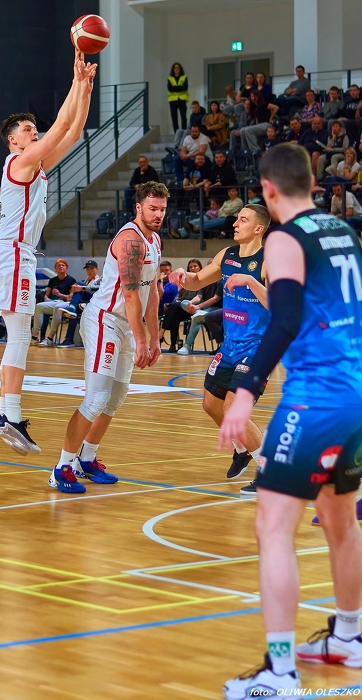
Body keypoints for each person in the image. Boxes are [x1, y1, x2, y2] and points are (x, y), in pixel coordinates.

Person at [218, 143, 362, 697]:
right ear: (312, 183)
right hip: (354, 395)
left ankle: (279, 673)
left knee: (272, 526)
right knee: (340, 521)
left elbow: (284, 320)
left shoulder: (284, 238)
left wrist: (245, 394)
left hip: (316, 400)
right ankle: (348, 636)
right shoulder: (342, 230)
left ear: (268, 190)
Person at [0, 49, 96, 455]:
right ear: (13, 139)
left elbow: (73, 132)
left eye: (35, 129)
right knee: (20, 335)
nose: (35, 132)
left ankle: (6, 413)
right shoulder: (17, 161)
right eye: (28, 129)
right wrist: (75, 82)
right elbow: (59, 126)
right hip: (13, 252)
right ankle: (8, 414)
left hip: (17, 254)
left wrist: (85, 89)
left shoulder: (37, 165)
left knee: (18, 335)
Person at [49, 181, 167, 493]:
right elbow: (130, 296)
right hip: (105, 320)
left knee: (115, 398)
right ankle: (61, 467)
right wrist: (141, 341)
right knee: (97, 397)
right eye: (152, 208)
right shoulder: (130, 241)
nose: (158, 214)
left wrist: (155, 339)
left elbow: (152, 293)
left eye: (162, 209)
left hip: (127, 324)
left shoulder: (155, 240)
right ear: (138, 208)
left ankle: (87, 459)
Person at [170, 204, 271, 494]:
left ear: (258, 228)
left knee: (233, 409)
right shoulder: (226, 255)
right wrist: (184, 277)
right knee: (211, 405)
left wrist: (250, 281)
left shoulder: (268, 261)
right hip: (230, 346)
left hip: (259, 347)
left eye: (243, 220)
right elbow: (198, 280)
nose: (235, 223)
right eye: (237, 219)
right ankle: (241, 449)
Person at [159, 259, 204, 351]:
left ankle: (160, 334)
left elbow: (200, 298)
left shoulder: (203, 281)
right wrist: (178, 300)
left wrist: (189, 303)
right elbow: (178, 296)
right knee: (174, 315)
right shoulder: (186, 281)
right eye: (190, 267)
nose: (192, 268)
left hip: (195, 307)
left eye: (195, 266)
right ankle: (173, 345)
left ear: (200, 268)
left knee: (173, 306)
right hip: (183, 307)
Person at [30, 259, 77, 346]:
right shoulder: (52, 280)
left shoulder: (71, 280)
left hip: (66, 303)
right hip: (53, 302)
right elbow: (46, 295)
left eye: (63, 265)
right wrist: (47, 300)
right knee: (39, 306)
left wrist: (60, 294)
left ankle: (50, 338)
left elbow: (71, 297)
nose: (61, 267)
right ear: (55, 268)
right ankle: (35, 336)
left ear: (66, 267)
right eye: (58, 265)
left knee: (57, 307)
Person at [58, 260, 102, 348]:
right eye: (87, 269)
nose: (89, 271)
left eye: (91, 268)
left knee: (80, 284)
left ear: (97, 269)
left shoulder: (101, 279)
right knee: (74, 313)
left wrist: (82, 287)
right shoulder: (85, 281)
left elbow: (100, 289)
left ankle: (72, 306)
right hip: (83, 303)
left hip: (94, 302)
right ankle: (69, 339)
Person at [173, 186, 243, 239]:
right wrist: (225, 210)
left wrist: (224, 210)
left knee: (213, 221)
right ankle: (181, 232)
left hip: (229, 220)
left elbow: (229, 211)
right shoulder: (226, 202)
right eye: (229, 191)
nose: (231, 193)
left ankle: (196, 228)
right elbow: (220, 211)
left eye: (233, 191)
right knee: (202, 221)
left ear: (236, 192)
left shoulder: (239, 201)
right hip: (220, 217)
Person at [167, 62, 189, 133]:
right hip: (172, 100)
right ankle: (176, 133)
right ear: (173, 69)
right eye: (175, 68)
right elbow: (170, 88)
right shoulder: (170, 78)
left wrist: (175, 88)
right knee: (174, 118)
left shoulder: (184, 77)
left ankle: (183, 131)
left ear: (180, 69)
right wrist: (180, 87)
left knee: (183, 117)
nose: (176, 69)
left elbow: (185, 87)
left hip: (181, 99)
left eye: (178, 68)